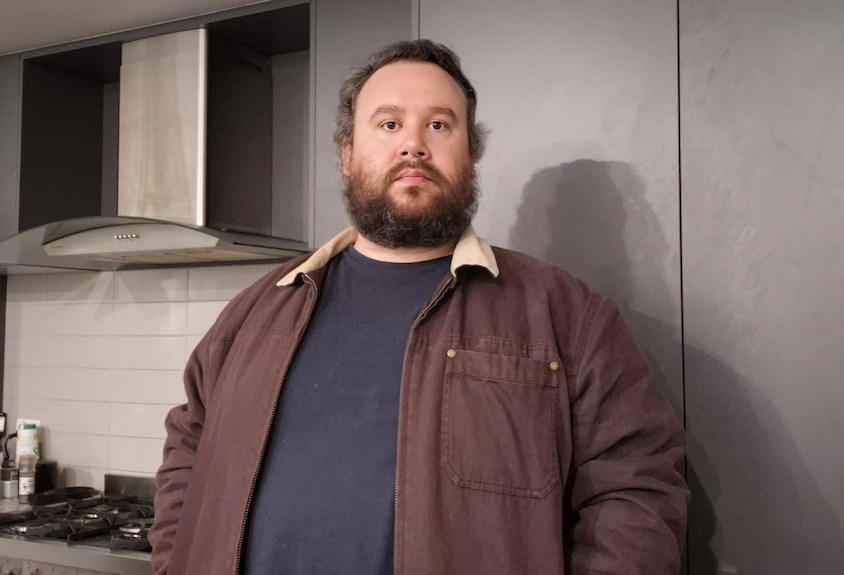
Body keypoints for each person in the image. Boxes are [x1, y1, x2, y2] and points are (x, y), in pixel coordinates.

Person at [149, 39, 689, 575]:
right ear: (347, 154)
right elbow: (188, 450)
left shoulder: (566, 315)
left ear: (470, 156)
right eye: (388, 124)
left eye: (438, 125)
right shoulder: (254, 311)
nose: (413, 146)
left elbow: (637, 490)